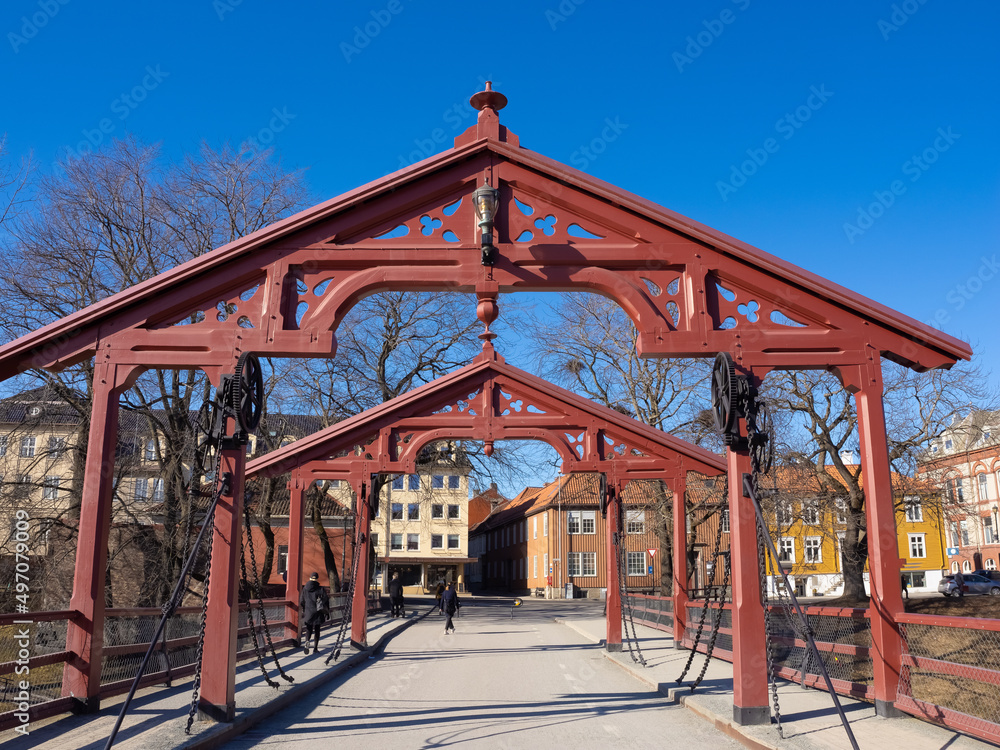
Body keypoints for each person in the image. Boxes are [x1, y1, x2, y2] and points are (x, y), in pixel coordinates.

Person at [299, 572, 329, 654]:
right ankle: (315, 648)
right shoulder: (320, 589)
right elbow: (326, 599)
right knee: (317, 630)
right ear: (317, 579)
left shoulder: (305, 589)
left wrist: (305, 609)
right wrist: (327, 612)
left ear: (310, 578)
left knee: (308, 629)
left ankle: (307, 641)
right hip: (318, 612)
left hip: (309, 611)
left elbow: (301, 601)